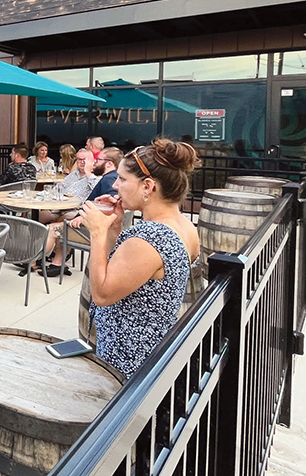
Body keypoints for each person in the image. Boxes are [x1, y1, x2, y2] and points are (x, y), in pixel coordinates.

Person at [79, 139, 199, 377]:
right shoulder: (185, 226)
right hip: (154, 353)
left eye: (122, 179)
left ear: (148, 187)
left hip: (127, 361)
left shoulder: (147, 239)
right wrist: (114, 229)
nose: (115, 186)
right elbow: (125, 274)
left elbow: (102, 294)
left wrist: (97, 232)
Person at [43, 147, 123, 276]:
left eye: (98, 160)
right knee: (56, 219)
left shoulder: (108, 180)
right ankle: (56, 262)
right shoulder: (112, 177)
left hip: (89, 230)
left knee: (52, 229)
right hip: (84, 221)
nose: (95, 162)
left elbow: (112, 206)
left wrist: (83, 217)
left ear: (109, 163)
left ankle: (33, 261)